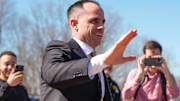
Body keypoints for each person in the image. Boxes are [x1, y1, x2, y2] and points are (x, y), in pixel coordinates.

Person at [40, 0, 137, 101]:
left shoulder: (96, 62)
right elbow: (52, 74)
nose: (102, 27)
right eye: (94, 21)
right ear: (74, 24)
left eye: (103, 22)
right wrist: (102, 60)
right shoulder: (59, 48)